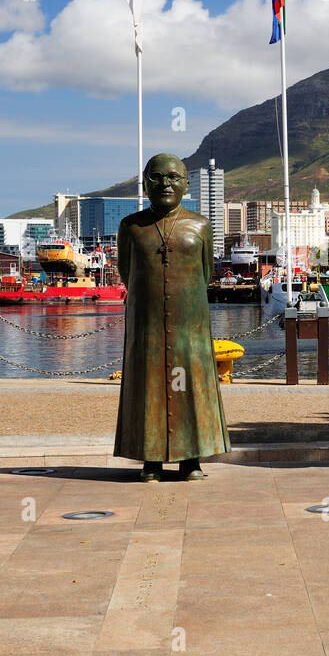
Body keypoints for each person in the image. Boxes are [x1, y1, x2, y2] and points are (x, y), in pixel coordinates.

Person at [114, 154, 229, 481]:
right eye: (157, 177)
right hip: (146, 325)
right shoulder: (132, 227)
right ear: (146, 183)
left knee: (191, 388)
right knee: (148, 388)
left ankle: (190, 460)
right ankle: (150, 461)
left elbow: (204, 274)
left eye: (173, 177)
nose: (165, 183)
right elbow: (127, 273)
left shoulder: (201, 226)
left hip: (188, 327)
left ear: (186, 184)